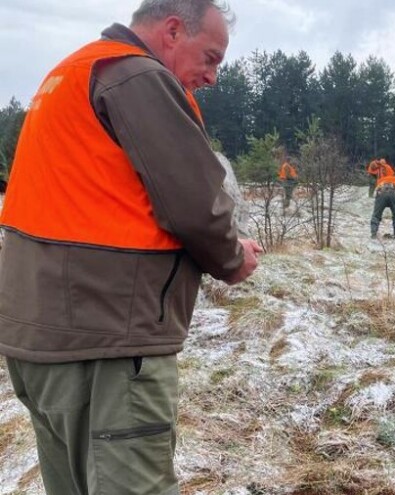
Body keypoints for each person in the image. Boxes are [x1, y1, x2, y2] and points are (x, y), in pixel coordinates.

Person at [0, 2, 262, 493]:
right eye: (210, 58)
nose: (211, 76)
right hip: (107, 343)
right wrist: (232, 257)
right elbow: (192, 202)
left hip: (37, 338)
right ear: (170, 31)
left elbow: (97, 202)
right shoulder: (137, 76)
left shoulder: (73, 71)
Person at [371, 170, 395, 239]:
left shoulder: (381, 180)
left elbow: (376, 194)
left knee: (376, 215)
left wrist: (377, 206)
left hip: (382, 193)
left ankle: (373, 234)